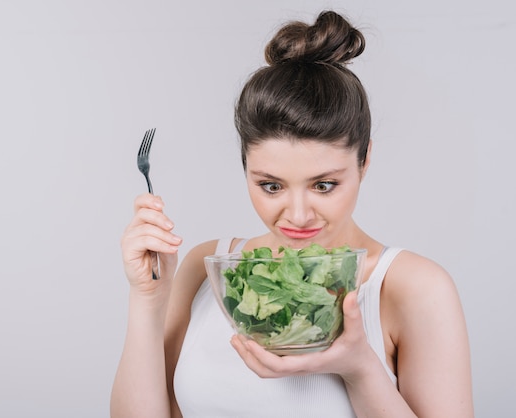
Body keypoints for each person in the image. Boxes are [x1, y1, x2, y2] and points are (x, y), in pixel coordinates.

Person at [111, 10, 474, 418]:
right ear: (244, 166)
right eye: (271, 186)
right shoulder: (208, 267)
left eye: (323, 185)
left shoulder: (414, 287)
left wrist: (359, 368)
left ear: (365, 160)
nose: (298, 216)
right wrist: (148, 299)